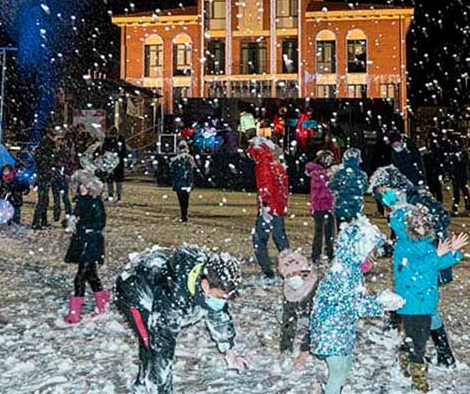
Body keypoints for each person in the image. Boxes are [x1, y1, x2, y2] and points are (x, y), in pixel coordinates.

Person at [114, 247, 249, 393]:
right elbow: (162, 346)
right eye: (219, 297)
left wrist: (228, 349)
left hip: (160, 281)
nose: (221, 301)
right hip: (134, 293)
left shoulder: (214, 275)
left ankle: (144, 384)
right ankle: (142, 387)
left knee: (156, 346)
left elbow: (218, 314)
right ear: (205, 285)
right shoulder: (173, 294)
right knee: (150, 345)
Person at [309, 216, 404, 394]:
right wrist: (380, 303)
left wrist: (377, 301)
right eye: (370, 255)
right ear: (357, 251)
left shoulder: (349, 270)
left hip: (340, 329)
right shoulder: (343, 274)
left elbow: (353, 301)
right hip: (331, 332)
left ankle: (334, 390)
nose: (372, 261)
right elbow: (356, 305)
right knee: (337, 372)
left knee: (345, 365)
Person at [389, 201, 468, 390]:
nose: (422, 229)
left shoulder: (426, 245)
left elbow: (437, 264)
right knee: (419, 343)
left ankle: (404, 354)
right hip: (411, 303)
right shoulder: (403, 247)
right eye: (417, 225)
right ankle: (419, 379)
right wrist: (437, 253)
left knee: (416, 338)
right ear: (409, 227)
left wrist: (453, 252)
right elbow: (416, 267)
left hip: (427, 301)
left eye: (425, 225)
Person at [61, 167, 108, 324]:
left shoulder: (95, 202)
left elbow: (100, 222)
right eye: (79, 185)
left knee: (80, 277)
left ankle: (75, 312)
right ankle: (102, 305)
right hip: (82, 243)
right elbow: (77, 219)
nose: (80, 188)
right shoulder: (80, 202)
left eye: (83, 185)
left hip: (91, 243)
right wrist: (69, 222)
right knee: (92, 276)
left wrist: (82, 226)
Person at [248, 138, 291, 279]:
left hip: (269, 208)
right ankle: (291, 266)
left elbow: (265, 187)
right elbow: (283, 187)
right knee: (280, 238)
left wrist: (265, 207)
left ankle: (268, 271)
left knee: (259, 240)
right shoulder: (275, 164)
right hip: (278, 207)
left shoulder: (263, 164)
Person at [277, 249, 318, 369]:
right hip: (304, 316)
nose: (292, 278)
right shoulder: (289, 289)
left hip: (322, 323)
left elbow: (318, 322)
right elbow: (288, 318)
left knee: (310, 322)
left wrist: (304, 352)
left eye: (296, 274)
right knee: (280, 314)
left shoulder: (316, 289)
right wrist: (285, 348)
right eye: (289, 276)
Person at [306, 149, 336, 264]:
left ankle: (325, 253)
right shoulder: (318, 174)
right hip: (321, 206)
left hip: (323, 206)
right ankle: (319, 254)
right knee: (322, 232)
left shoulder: (319, 174)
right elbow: (323, 190)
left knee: (326, 232)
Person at [330, 148, 369, 224]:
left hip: (341, 206)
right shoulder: (361, 175)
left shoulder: (340, 173)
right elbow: (365, 188)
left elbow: (332, 186)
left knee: (341, 229)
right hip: (356, 207)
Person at [32, 135, 56, 230]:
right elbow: (46, 165)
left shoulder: (41, 152)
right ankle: (37, 221)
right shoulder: (45, 153)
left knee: (44, 200)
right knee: (42, 201)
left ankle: (42, 221)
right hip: (44, 178)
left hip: (43, 178)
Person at [170, 142, 198, 223]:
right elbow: (194, 169)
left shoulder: (175, 160)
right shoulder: (189, 159)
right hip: (187, 182)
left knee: (182, 199)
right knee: (185, 199)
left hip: (179, 181)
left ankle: (183, 215)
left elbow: (172, 170)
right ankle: (184, 214)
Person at [53, 137, 76, 226]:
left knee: (65, 197)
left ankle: (68, 214)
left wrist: (67, 173)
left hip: (62, 178)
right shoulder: (54, 151)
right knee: (56, 199)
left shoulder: (65, 151)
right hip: (55, 178)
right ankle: (56, 215)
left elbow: (70, 163)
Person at [102, 126, 126, 202]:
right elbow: (123, 151)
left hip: (112, 162)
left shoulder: (109, 139)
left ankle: (112, 195)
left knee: (111, 180)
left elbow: (104, 149)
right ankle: (116, 195)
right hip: (116, 162)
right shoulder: (118, 139)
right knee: (116, 180)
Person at [450, 141, 470, 215]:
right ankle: (455, 208)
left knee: (464, 192)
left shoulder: (464, 154)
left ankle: (467, 208)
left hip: (462, 175)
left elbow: (464, 164)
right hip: (457, 175)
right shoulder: (455, 154)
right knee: (456, 193)